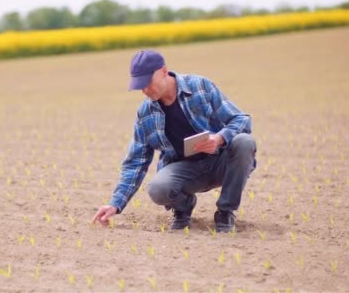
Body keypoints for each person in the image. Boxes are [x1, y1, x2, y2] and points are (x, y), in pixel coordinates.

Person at [91, 50, 257, 232]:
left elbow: (242, 120)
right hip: (186, 172)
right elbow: (135, 163)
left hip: (220, 163)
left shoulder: (200, 86)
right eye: (140, 86)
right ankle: (183, 208)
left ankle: (225, 212)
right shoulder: (145, 114)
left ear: (163, 71)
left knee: (244, 142)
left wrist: (219, 138)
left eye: (148, 83)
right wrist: (115, 204)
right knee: (157, 188)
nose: (145, 90)